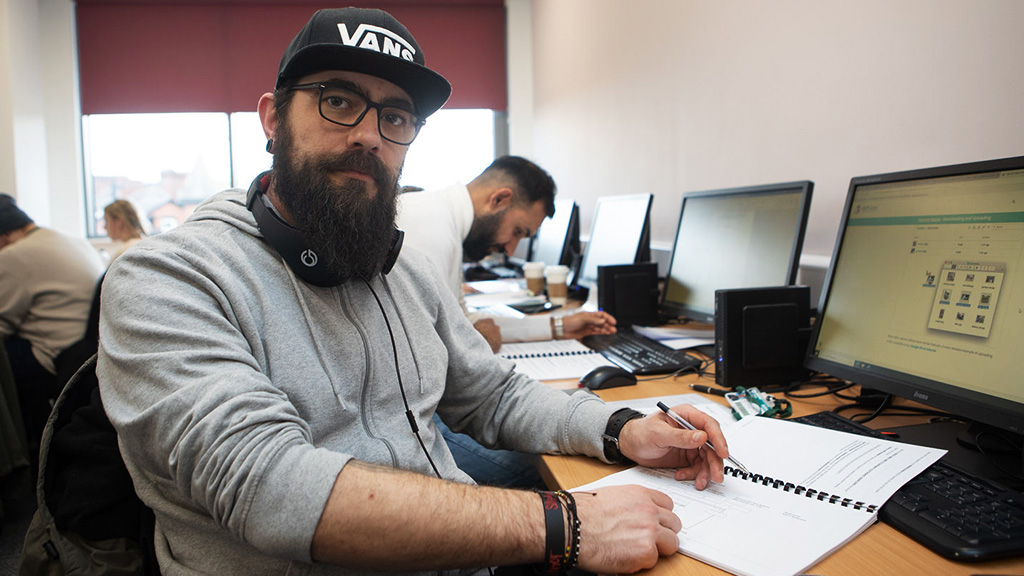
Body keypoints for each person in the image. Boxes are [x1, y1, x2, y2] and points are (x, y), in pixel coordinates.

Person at [96, 8, 730, 575]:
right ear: (271, 118)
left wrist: (621, 428)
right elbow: (269, 488)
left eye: (394, 116)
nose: (369, 135)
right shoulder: (166, 278)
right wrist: (564, 524)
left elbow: (493, 395)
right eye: (337, 101)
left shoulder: (401, 265)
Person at [398, 156, 617, 352]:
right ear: (499, 199)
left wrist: (559, 326)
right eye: (517, 232)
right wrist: (481, 340)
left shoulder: (445, 222)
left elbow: (462, 322)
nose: (510, 249)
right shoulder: (432, 226)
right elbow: (427, 347)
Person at [0, 193, 105, 437]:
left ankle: (14, 455)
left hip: (55, 355)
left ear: (4, 236)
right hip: (87, 349)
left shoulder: (15, 255)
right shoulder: (70, 239)